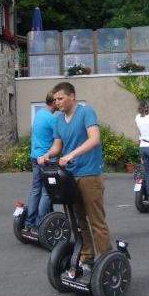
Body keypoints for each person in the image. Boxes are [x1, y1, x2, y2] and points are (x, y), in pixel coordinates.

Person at [38, 82, 111, 275]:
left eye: (60, 98)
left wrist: (72, 155)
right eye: (55, 100)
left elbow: (94, 139)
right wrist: (47, 155)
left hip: (89, 174)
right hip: (70, 177)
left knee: (96, 220)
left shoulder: (86, 112)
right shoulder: (59, 120)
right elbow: (57, 146)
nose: (57, 102)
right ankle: (87, 257)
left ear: (72, 96)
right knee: (78, 221)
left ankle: (106, 261)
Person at [22, 91, 57, 237]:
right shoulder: (52, 119)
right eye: (58, 100)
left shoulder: (39, 114)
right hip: (46, 159)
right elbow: (60, 140)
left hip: (35, 157)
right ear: (54, 102)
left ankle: (29, 223)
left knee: (36, 189)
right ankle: (41, 224)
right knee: (47, 192)